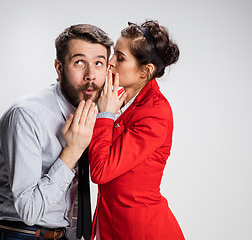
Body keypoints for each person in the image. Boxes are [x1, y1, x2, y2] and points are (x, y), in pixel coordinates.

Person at [0, 24, 113, 240]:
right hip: (19, 233)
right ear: (59, 68)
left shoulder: (96, 110)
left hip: (61, 234)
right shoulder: (26, 116)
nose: (91, 75)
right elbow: (29, 211)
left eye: (98, 63)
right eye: (79, 62)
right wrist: (73, 150)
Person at [88, 20, 185, 239]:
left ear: (146, 71)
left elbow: (100, 171)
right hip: (111, 225)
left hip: (142, 231)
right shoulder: (119, 99)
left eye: (120, 58)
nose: (110, 62)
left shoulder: (156, 113)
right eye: (114, 53)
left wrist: (105, 115)